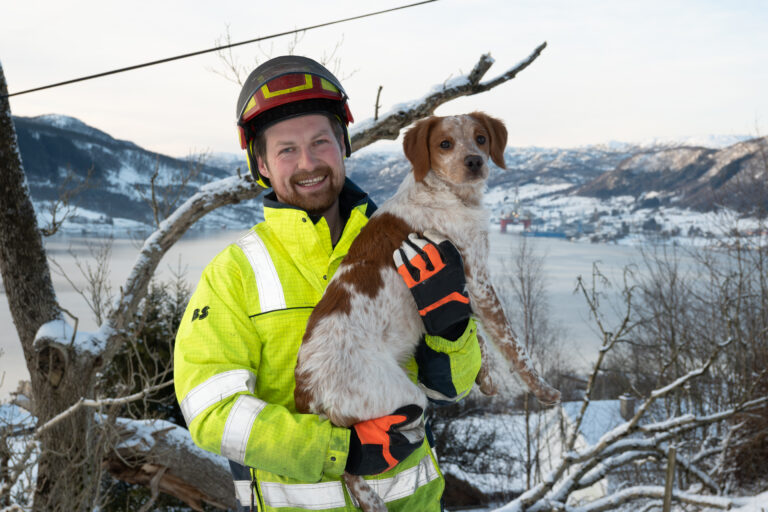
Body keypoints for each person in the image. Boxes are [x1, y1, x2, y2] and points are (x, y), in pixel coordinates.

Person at [174, 55, 482, 512]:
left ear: (342, 146)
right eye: (286, 150)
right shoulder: (235, 273)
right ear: (262, 164)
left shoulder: (406, 241)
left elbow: (450, 389)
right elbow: (213, 411)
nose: (308, 162)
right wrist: (339, 449)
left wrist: (452, 329)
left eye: (321, 142)